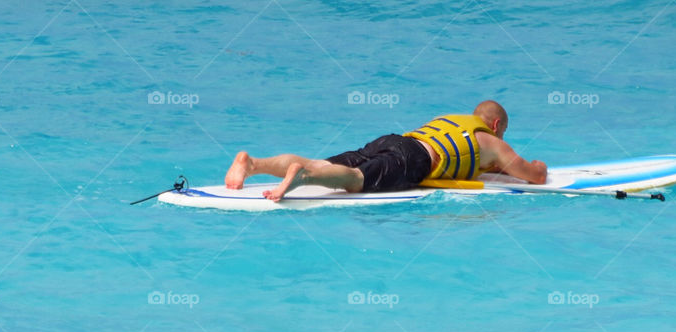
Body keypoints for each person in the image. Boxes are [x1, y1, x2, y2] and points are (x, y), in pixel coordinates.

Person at [224, 100, 547, 202]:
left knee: (319, 162)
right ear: (494, 125)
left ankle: (252, 163)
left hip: (392, 141)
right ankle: (304, 176)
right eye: (503, 130)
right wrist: (537, 165)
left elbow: (465, 159)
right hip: (414, 159)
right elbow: (535, 178)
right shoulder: (492, 142)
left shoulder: (447, 120)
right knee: (353, 179)